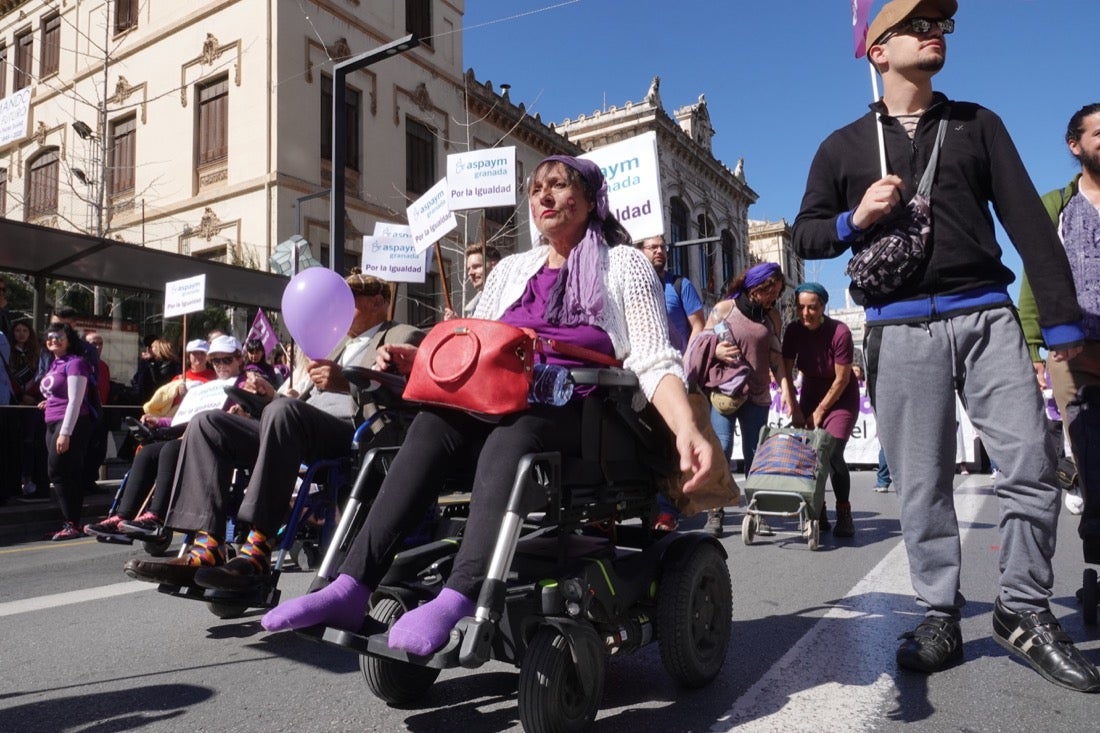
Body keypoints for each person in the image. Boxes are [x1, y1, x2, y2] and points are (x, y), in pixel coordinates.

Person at [256, 155, 713, 656]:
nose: (543, 196)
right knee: (432, 425)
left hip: (583, 412)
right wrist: (419, 355)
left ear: (588, 201)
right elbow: (471, 343)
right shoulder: (513, 270)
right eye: (537, 188)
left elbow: (653, 358)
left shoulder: (622, 262)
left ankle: (459, 594)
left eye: (558, 186)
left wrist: (686, 427)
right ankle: (349, 586)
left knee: (516, 431)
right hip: (496, 400)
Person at [792, 0, 1100, 692]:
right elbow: (806, 235)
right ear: (877, 51)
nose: (936, 32)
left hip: (986, 314)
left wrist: (1062, 325)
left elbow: (1026, 219)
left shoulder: (977, 124)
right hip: (898, 327)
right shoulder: (842, 147)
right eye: (918, 23)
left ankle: (1021, 607)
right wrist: (854, 215)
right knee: (925, 483)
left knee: (1031, 462)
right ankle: (937, 610)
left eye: (941, 24)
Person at [122, 272, 424, 585]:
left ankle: (258, 547)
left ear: (378, 301)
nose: (340, 308)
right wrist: (267, 396)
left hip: (353, 431)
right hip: (296, 424)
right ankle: (207, 544)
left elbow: (411, 391)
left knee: (283, 412)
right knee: (208, 423)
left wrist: (345, 384)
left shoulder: (402, 334)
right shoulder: (335, 343)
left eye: (351, 301)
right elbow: (297, 398)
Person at [1019, 103, 1100, 521]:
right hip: (1074, 352)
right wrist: (1034, 346)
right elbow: (1037, 277)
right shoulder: (1057, 204)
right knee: (1090, 452)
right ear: (1075, 145)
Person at [85, 335, 247, 542]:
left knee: (171, 449)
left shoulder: (246, 383)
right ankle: (122, 517)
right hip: (194, 435)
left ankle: (157, 516)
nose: (220, 365)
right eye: (216, 361)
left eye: (227, 360)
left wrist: (241, 411)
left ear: (239, 359)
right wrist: (158, 421)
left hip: (226, 444)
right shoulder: (209, 388)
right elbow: (185, 418)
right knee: (149, 452)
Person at [700, 262, 795, 538]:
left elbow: (776, 358)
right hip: (725, 392)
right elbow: (703, 344)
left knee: (757, 454)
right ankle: (715, 510)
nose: (773, 297)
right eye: (771, 291)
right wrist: (716, 349)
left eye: (777, 292)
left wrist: (786, 388)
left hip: (758, 394)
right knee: (722, 448)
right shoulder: (724, 310)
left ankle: (758, 512)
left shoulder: (772, 317)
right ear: (757, 287)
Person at [782, 283, 860, 537]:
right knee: (809, 455)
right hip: (810, 392)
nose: (805, 313)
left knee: (832, 450)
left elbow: (842, 379)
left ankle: (844, 511)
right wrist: (794, 406)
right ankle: (818, 507)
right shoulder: (793, 330)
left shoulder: (840, 332)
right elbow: (785, 369)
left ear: (823, 307)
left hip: (841, 396)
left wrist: (820, 411)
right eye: (801, 307)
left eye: (812, 308)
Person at [38, 322, 95, 540]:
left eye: (59, 336)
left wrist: (66, 432)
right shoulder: (55, 364)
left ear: (69, 340)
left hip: (69, 423)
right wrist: (48, 401)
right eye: (50, 337)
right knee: (66, 472)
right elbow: (58, 392)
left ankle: (71, 522)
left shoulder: (76, 363)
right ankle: (71, 522)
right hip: (52, 421)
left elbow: (75, 400)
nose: (54, 340)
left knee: (58, 471)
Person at [637, 235, 704, 353]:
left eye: (663, 247)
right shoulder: (633, 289)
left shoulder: (681, 285)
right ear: (640, 251)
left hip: (679, 366)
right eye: (653, 247)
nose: (659, 251)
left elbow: (698, 326)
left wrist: (688, 360)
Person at [443, 243, 502, 319]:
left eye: (476, 266)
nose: (470, 273)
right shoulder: (474, 307)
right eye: (468, 269)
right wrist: (456, 323)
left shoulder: (509, 298)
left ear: (495, 266)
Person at [132, 338, 181, 403]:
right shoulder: (154, 362)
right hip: (148, 397)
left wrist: (151, 362)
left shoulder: (170, 364)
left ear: (159, 348)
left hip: (162, 398)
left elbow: (158, 380)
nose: (149, 350)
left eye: (152, 347)